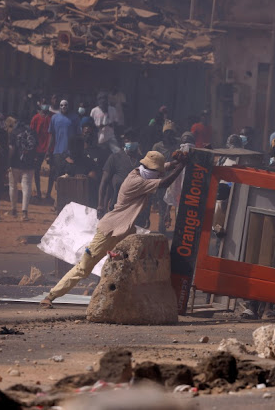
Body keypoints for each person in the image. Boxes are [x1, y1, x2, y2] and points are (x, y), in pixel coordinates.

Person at [40, 150, 187, 309]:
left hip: (126, 230)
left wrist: (174, 163)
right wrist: (182, 167)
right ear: (150, 170)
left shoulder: (142, 171)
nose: (158, 174)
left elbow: (162, 169)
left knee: (132, 266)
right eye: (156, 172)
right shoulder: (136, 182)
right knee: (84, 268)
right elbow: (164, 182)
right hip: (110, 230)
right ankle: (50, 296)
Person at [98, 129, 143, 219]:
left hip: (136, 206)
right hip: (116, 205)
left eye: (133, 140)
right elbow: (104, 182)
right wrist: (100, 205)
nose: (130, 142)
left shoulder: (142, 160)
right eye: (128, 140)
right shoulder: (115, 158)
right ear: (124, 142)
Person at [46, 100, 79, 201]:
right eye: (61, 105)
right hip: (58, 152)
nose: (64, 107)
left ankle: (68, 200)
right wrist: (48, 151)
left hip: (70, 153)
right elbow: (52, 136)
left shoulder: (75, 118)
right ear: (59, 106)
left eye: (65, 105)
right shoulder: (54, 118)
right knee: (58, 177)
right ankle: (58, 200)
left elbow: (78, 136)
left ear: (69, 106)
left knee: (70, 177)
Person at [8, 113, 38, 221]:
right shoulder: (33, 133)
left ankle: (13, 210)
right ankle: (24, 213)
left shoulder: (14, 132)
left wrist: (8, 161)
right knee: (26, 187)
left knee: (13, 186)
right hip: (29, 164)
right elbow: (35, 150)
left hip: (15, 163)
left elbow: (11, 148)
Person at [30, 98, 52, 200]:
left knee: (52, 171)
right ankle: (38, 192)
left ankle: (48, 193)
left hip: (48, 148)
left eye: (46, 104)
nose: (45, 106)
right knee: (36, 170)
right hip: (37, 149)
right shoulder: (35, 118)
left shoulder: (51, 118)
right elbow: (31, 134)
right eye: (44, 104)